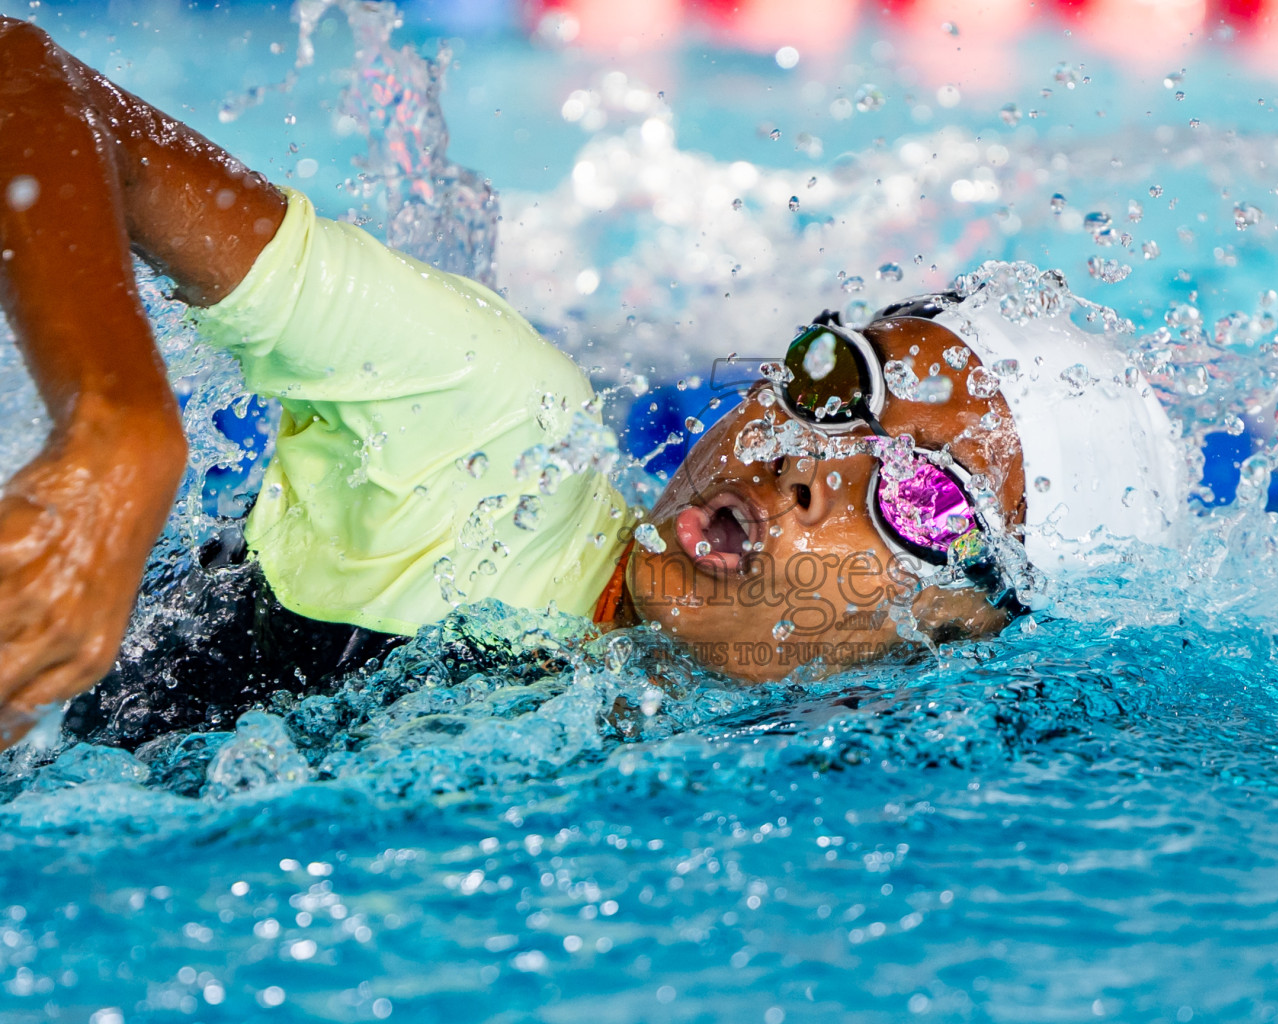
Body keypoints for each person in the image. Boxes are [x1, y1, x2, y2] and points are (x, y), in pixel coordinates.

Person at [0, 18, 1184, 749]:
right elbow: (30, 78)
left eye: (924, 500)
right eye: (841, 383)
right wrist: (120, 434)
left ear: (965, 632)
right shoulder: (492, 423)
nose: (815, 466)